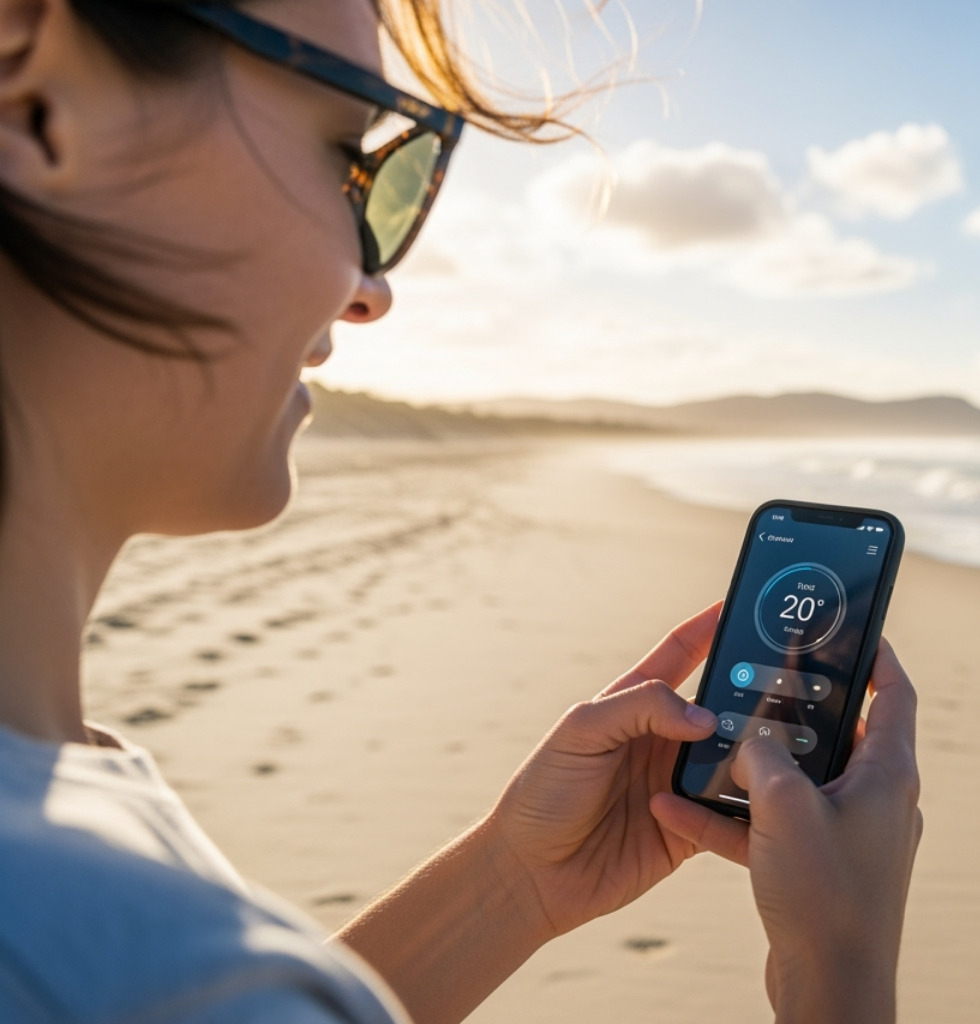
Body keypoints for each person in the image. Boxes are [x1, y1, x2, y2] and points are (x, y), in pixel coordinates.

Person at [0, 1, 923, 1022]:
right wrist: (837, 970)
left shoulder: (62, 833)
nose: (371, 289)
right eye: (347, 155)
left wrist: (512, 883)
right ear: (33, 101)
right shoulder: (91, 950)